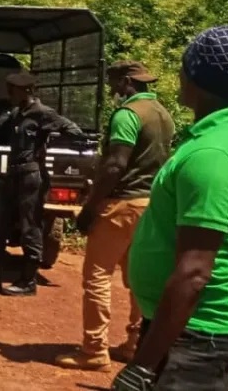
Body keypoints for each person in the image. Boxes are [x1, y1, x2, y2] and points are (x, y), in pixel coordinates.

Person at [112, 26, 228, 391]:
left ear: (196, 78)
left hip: (194, 333)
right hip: (198, 326)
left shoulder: (211, 155)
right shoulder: (224, 138)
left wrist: (143, 365)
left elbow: (194, 272)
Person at [56, 61, 174, 372]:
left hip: (119, 205)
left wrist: (90, 208)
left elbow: (115, 165)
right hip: (151, 206)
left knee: (97, 277)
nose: (111, 89)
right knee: (137, 279)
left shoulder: (127, 115)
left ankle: (94, 350)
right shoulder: (162, 113)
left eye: (113, 83)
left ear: (126, 82)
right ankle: (135, 344)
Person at [0, 72, 84, 296]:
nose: (9, 95)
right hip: (13, 175)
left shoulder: (43, 113)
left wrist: (47, 143)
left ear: (27, 91)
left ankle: (27, 282)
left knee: (29, 228)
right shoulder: (17, 113)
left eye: (13, 91)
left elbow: (73, 131)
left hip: (32, 176)